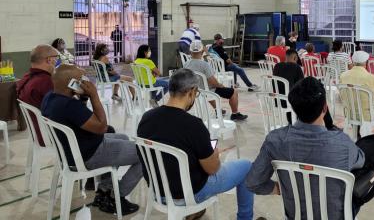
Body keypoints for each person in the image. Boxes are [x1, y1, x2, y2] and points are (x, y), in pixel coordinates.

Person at [137, 69, 255, 220]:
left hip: (158, 192)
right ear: (191, 92)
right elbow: (213, 169)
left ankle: (193, 212)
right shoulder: (194, 125)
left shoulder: (146, 118)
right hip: (190, 193)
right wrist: (215, 155)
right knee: (246, 166)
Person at [245, 77, 367, 219]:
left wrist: (280, 189)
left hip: (295, 215)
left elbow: (253, 183)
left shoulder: (275, 140)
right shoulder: (342, 143)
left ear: (295, 108)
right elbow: (361, 160)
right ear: (325, 108)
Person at [41, 65, 142, 215]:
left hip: (73, 151)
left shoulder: (50, 98)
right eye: (81, 79)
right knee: (146, 153)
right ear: (72, 83)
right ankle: (116, 197)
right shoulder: (70, 105)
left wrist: (82, 97)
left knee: (123, 137)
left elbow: (80, 119)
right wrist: (94, 96)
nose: (86, 82)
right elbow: (102, 126)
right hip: (89, 154)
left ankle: (104, 191)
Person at [273, 49, 337, 129]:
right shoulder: (296, 67)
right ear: (295, 58)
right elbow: (303, 86)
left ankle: (291, 122)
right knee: (319, 98)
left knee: (292, 93)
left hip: (278, 99)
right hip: (292, 102)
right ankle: (329, 125)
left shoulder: (277, 66)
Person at [185, 40, 248, 121]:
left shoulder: (186, 64)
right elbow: (212, 81)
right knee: (233, 92)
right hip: (207, 91)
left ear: (190, 51)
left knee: (208, 89)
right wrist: (220, 85)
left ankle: (218, 110)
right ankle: (235, 114)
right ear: (202, 51)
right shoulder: (204, 65)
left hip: (195, 91)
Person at [17, 44, 58, 146]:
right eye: (56, 58)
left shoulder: (26, 78)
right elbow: (59, 111)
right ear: (49, 60)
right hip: (50, 134)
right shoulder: (45, 82)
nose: (56, 62)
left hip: (36, 131)